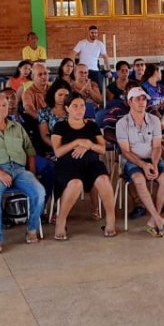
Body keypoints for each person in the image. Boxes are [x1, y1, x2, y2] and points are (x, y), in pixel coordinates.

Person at [0, 93, 47, 254]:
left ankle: (32, 228)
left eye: (4, 105)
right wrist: (0, 173)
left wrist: (32, 173)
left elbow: (30, 151)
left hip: (19, 170)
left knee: (39, 192)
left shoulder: (17, 127)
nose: (2, 109)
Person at [51, 93, 116, 240]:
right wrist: (77, 142)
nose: (79, 109)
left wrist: (89, 145)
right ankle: (61, 221)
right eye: (75, 106)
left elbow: (102, 149)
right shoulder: (60, 126)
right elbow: (58, 152)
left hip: (91, 164)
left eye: (82, 106)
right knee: (75, 183)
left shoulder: (92, 125)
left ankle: (110, 220)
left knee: (104, 180)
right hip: (67, 166)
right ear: (67, 108)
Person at [117, 88, 164, 236]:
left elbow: (157, 146)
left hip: (152, 157)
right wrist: (143, 165)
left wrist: (153, 164)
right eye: (138, 99)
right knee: (139, 179)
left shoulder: (154, 120)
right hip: (132, 159)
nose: (142, 102)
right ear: (130, 102)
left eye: (144, 99)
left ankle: (155, 218)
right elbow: (126, 152)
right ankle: (157, 219)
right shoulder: (122, 123)